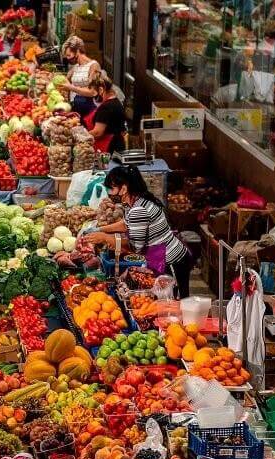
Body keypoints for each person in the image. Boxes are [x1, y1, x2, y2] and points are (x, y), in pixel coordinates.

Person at [88, 166, 192, 297]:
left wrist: (105, 237)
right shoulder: (136, 201)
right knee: (165, 298)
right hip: (159, 256)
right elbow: (126, 224)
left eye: (112, 188)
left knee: (176, 301)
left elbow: (135, 247)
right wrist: (99, 229)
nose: (110, 193)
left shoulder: (138, 210)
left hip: (172, 261)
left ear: (124, 188)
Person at [85, 74, 126, 153]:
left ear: (101, 90)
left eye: (94, 93)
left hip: (108, 147)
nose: (94, 96)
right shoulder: (117, 102)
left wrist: (81, 136)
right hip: (118, 145)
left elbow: (97, 132)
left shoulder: (106, 107)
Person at [62, 36, 101, 115]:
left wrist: (71, 88)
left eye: (69, 55)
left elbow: (93, 92)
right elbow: (65, 80)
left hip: (90, 108)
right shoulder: (76, 67)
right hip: (77, 106)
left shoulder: (93, 66)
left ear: (77, 51)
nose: (68, 58)